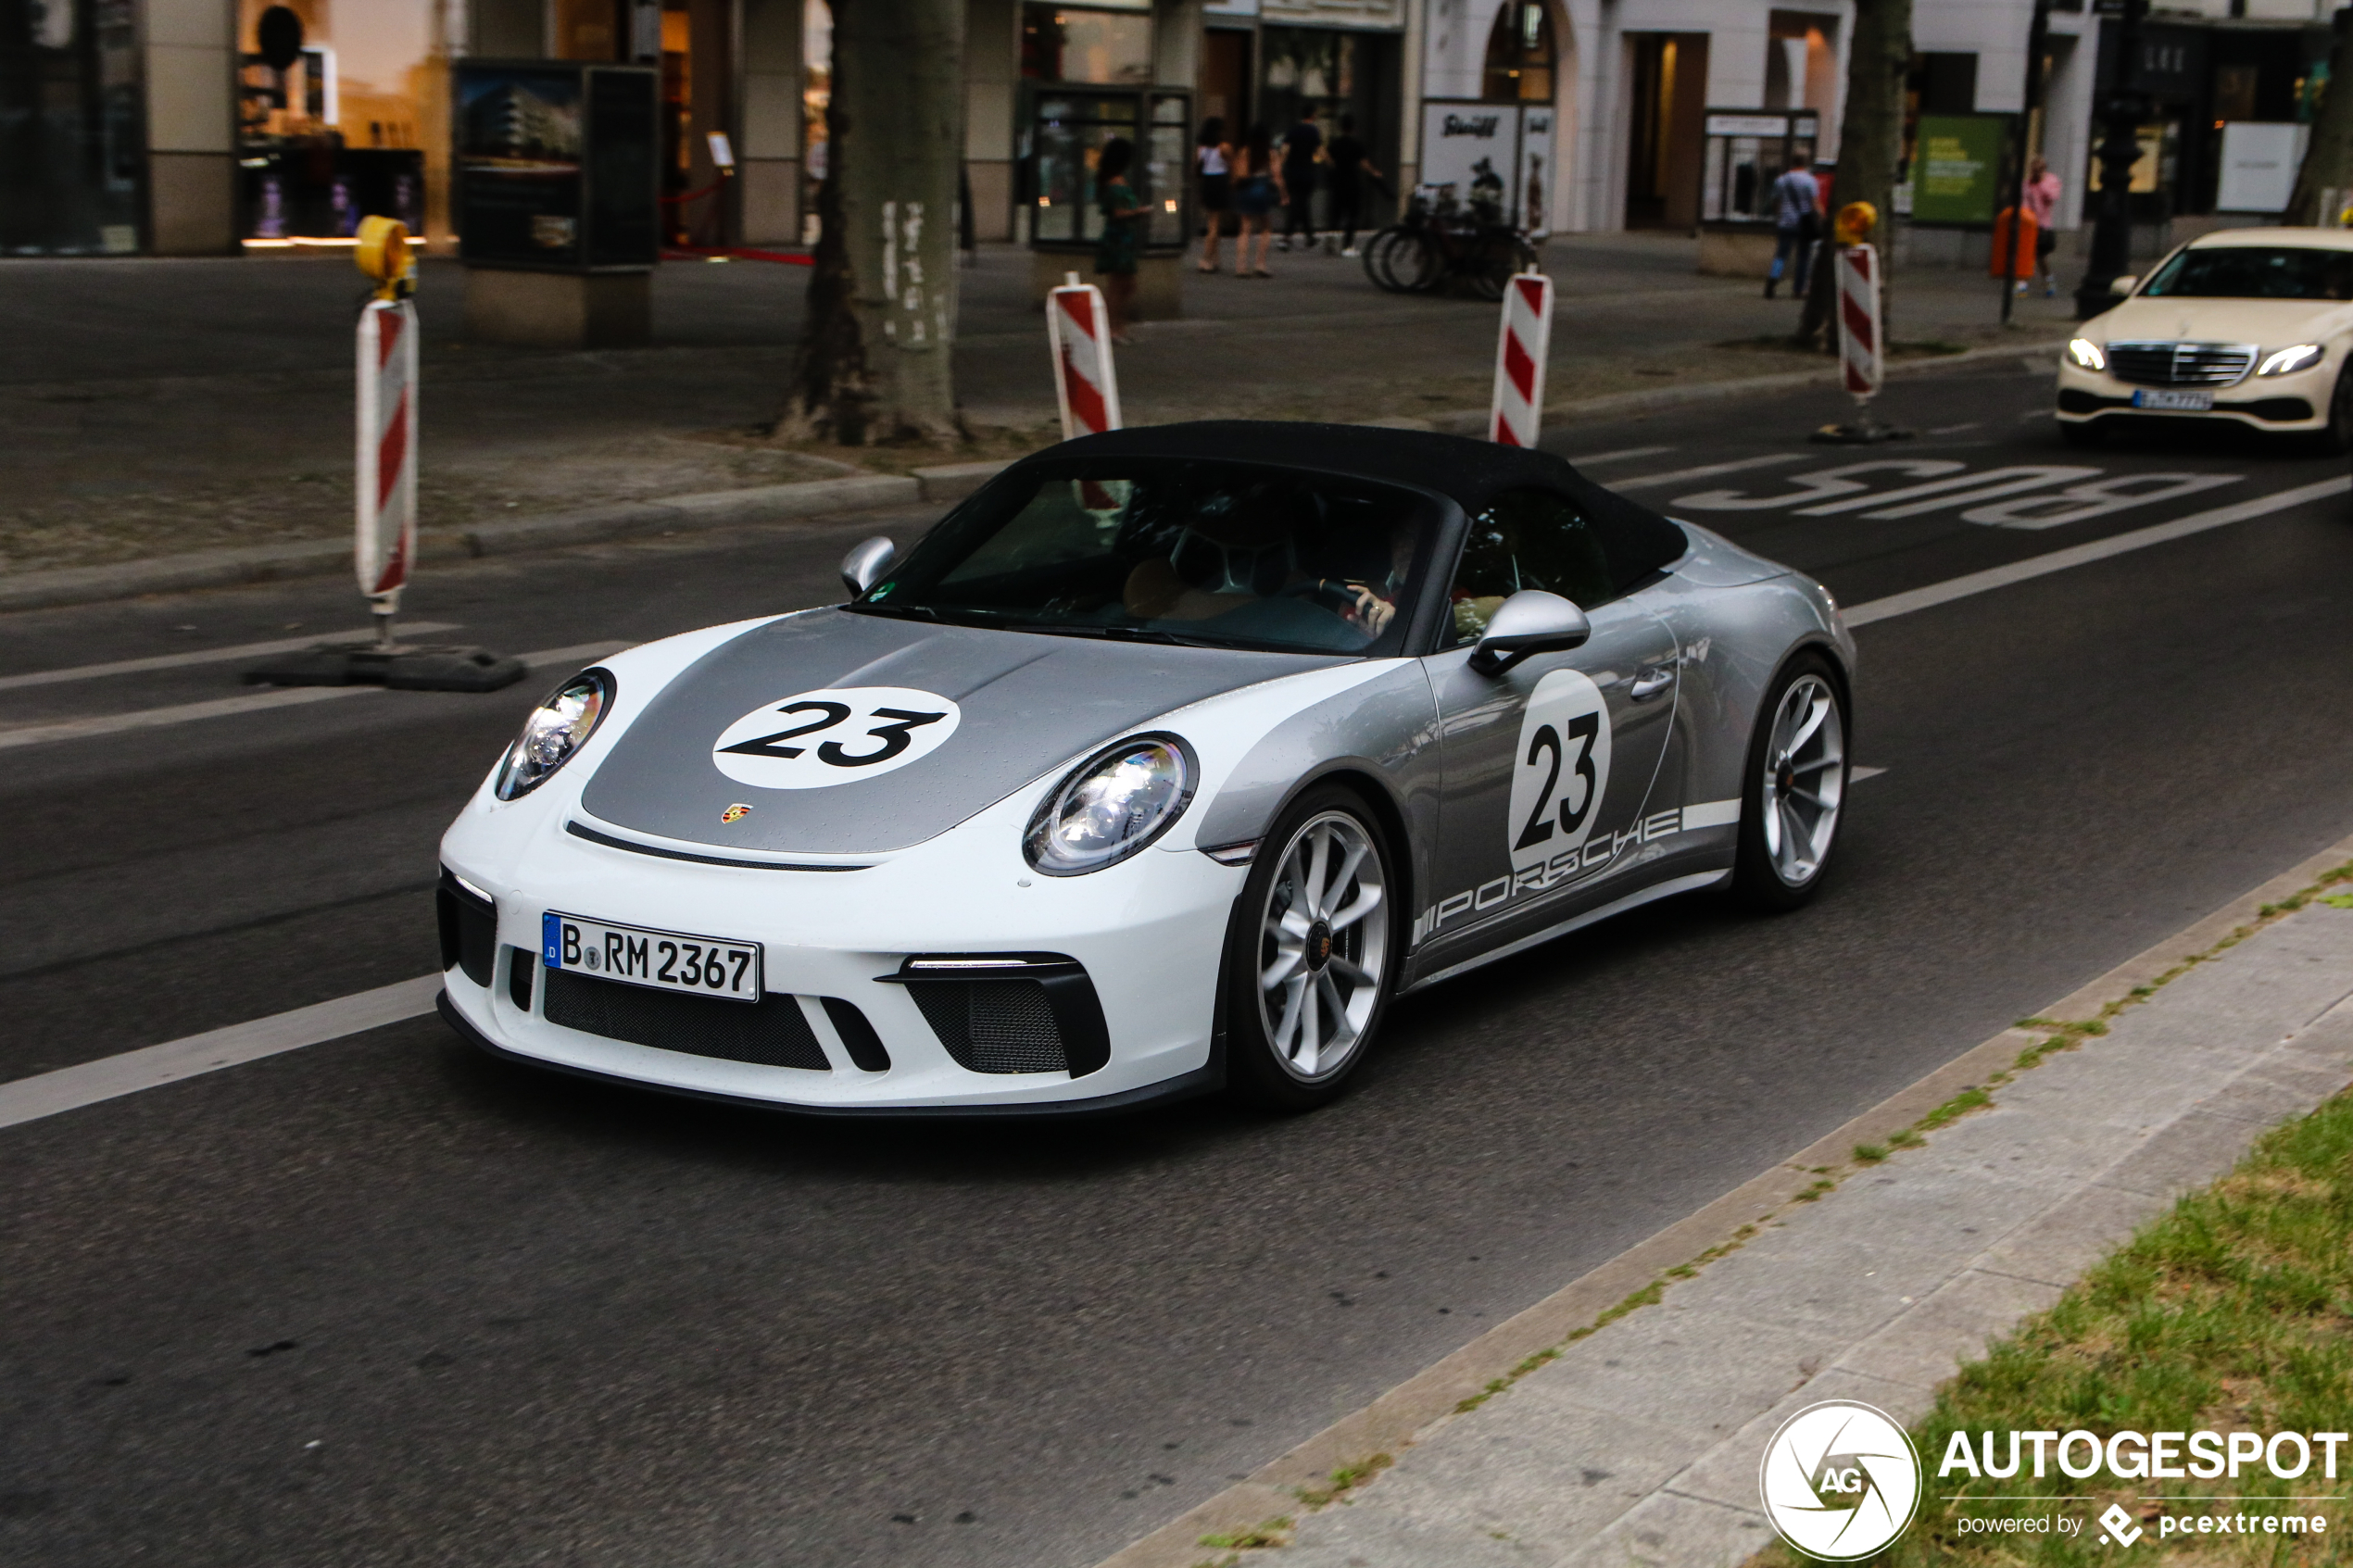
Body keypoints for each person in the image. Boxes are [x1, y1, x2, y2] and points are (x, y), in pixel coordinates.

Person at [1093, 136, 1144, 341]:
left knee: (1124, 285)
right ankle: (1110, 327)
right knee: (1119, 285)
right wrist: (1139, 211)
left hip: (1122, 238)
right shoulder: (1115, 183)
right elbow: (1118, 213)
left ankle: (1116, 327)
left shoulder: (1112, 180)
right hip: (1118, 239)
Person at [1325, 114, 1384, 257]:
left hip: (1338, 182)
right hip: (1352, 183)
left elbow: (1327, 158)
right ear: (1353, 128)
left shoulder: (1335, 143)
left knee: (1336, 214)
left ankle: (1331, 242)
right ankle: (1347, 245)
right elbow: (1364, 163)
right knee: (1352, 216)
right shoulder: (1356, 144)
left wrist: (1334, 167)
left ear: (1341, 127)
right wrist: (1375, 172)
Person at [1230, 123, 1283, 278]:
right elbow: (1277, 175)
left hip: (1246, 189)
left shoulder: (1244, 151)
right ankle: (1260, 264)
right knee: (1265, 227)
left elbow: (1239, 174)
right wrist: (1283, 193)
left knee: (1245, 229)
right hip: (1262, 189)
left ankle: (1241, 267)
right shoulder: (1270, 153)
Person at [1765, 159, 1820, 299]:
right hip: (1804, 224)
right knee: (1803, 258)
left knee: (1781, 255)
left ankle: (1772, 282)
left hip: (1785, 223)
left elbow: (1775, 202)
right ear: (1805, 164)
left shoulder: (1781, 180)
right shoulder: (1810, 180)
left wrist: (1781, 215)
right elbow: (1814, 204)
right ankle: (1798, 289)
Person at [1277, 115, 1322, 252]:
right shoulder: (1313, 131)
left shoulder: (1294, 130)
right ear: (1313, 115)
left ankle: (1307, 236)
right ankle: (1288, 236)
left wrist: (1279, 165)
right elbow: (1319, 150)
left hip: (1293, 172)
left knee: (1299, 203)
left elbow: (1285, 150)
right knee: (1300, 203)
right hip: (1307, 172)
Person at [1195, 117, 1233, 274]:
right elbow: (1233, 164)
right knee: (1215, 223)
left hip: (1207, 183)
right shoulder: (1224, 147)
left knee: (1213, 221)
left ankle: (1215, 258)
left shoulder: (1201, 149)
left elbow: (1196, 168)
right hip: (1220, 182)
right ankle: (1206, 259)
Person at [2022, 156, 2062, 298]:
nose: (2036, 172)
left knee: (2040, 256)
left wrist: (2041, 183)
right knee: (2026, 254)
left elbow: (2052, 198)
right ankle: (2022, 284)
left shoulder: (2051, 181)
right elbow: (2024, 201)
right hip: (2028, 223)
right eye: (2034, 169)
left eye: (2039, 169)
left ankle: (2048, 281)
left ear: (2044, 169)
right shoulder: (2027, 183)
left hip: (2043, 225)